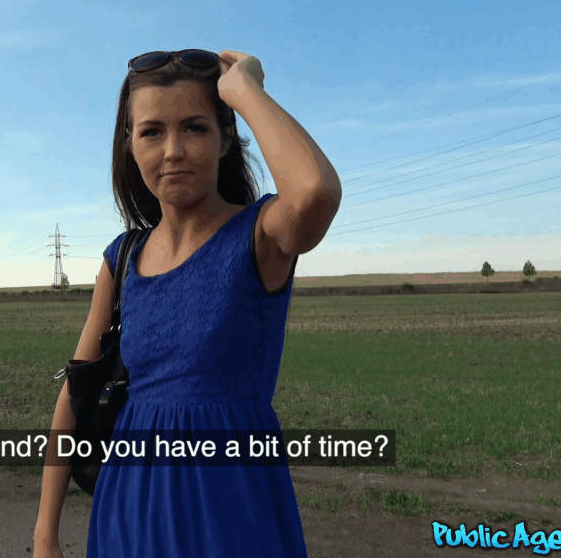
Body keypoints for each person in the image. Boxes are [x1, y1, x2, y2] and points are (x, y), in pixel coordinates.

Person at [34, 49, 342, 557]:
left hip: (230, 510)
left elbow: (314, 192)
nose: (173, 151)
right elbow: (74, 394)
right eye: (152, 132)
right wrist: (45, 535)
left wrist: (245, 91)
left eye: (195, 128)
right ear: (130, 144)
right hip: (128, 512)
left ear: (226, 138)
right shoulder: (122, 257)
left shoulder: (260, 235)